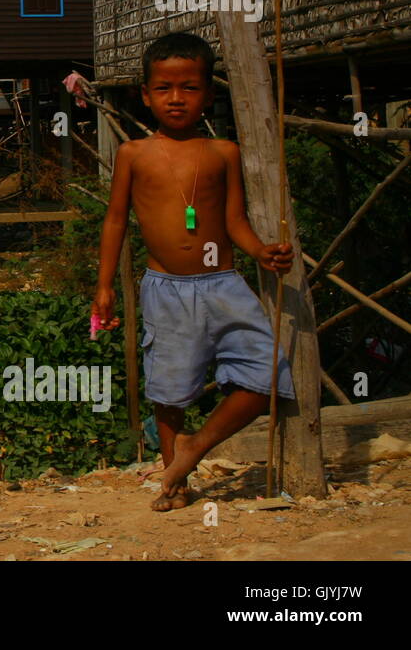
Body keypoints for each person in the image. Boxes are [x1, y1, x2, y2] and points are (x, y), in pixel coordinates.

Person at [92, 32, 294, 511]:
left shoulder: (223, 152)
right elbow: (116, 220)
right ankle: (176, 485)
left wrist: (261, 252)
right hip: (165, 288)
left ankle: (194, 448)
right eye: (164, 88)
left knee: (269, 372)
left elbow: (234, 221)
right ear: (145, 94)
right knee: (170, 390)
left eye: (189, 87)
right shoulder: (133, 155)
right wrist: (104, 287)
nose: (176, 98)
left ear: (208, 92)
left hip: (222, 281)